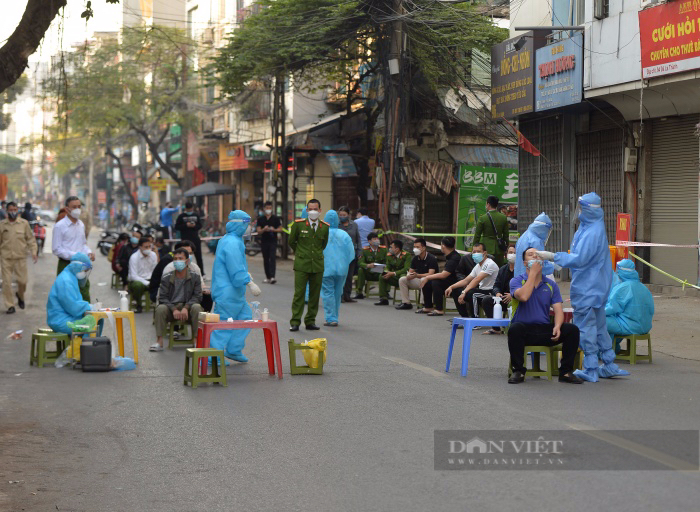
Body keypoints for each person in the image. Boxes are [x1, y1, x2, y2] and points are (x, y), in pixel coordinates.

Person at [538, 192, 630, 382]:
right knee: (599, 325)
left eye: (581, 209)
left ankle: (590, 367)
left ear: (587, 210)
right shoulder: (591, 226)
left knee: (585, 326)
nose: (578, 212)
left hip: (588, 286)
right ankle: (609, 363)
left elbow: (580, 259)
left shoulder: (592, 231)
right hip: (595, 286)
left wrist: (554, 256)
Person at [506, 248, 583, 384]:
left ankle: (565, 371)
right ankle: (518, 370)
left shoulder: (551, 284)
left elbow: (559, 309)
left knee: (572, 330)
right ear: (525, 263)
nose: (535, 257)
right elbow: (523, 296)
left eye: (538, 255)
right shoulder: (516, 281)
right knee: (515, 329)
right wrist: (532, 275)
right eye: (531, 255)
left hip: (543, 329)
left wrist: (558, 326)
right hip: (524, 330)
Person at [210, 210, 261, 362]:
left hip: (233, 292)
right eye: (248, 224)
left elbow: (234, 266)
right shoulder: (232, 243)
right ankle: (214, 356)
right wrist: (249, 282)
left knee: (245, 318)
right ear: (240, 225)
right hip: (228, 292)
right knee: (224, 324)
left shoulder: (232, 240)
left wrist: (246, 275)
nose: (250, 228)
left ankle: (233, 349)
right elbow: (235, 269)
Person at [150, 248, 204, 352]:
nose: (177, 261)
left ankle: (196, 340)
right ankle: (159, 341)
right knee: (160, 308)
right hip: (171, 309)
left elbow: (198, 296)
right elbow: (163, 297)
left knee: (197, 307)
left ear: (187, 261)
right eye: (175, 259)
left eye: (180, 258)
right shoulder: (167, 277)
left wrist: (186, 307)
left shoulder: (195, 277)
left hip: (188, 309)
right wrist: (174, 309)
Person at [288, 199, 329, 331]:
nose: (313, 211)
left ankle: (310, 321)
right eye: (310, 209)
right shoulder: (298, 225)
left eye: (315, 209)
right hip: (301, 264)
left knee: (314, 295)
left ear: (320, 211)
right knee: (299, 294)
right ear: (306, 211)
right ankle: (295, 321)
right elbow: (292, 242)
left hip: (317, 265)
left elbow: (323, 245)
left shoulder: (325, 227)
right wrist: (301, 253)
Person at [52, 196, 94, 302]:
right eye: (74, 207)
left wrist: (89, 252)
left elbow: (83, 244)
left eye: (79, 206)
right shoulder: (60, 226)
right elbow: (56, 249)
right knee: (66, 295)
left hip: (80, 265)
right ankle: (68, 319)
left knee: (84, 292)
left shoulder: (81, 225)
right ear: (67, 209)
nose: (77, 209)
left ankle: (86, 317)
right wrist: (73, 255)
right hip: (66, 264)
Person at [0, 201, 38, 313]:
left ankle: (20, 295)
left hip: (20, 257)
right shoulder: (2, 225)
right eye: (11, 210)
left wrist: (34, 252)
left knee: (23, 281)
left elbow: (30, 239)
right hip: (6, 258)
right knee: (6, 282)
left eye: (15, 210)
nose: (13, 212)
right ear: (7, 211)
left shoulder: (24, 223)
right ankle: (10, 305)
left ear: (18, 210)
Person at [445, 243, 499, 318]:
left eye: (478, 251)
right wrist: (451, 287)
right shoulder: (478, 265)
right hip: (482, 291)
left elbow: (477, 280)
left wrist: (464, 292)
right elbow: (466, 280)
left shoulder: (489, 264)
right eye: (474, 252)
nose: (476, 254)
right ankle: (465, 317)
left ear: (485, 253)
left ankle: (475, 320)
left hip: (491, 292)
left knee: (472, 293)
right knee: (456, 290)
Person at [320, 210, 355, 326]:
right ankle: (335, 316)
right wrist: (344, 264)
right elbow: (351, 253)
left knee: (327, 293)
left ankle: (330, 317)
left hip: (325, 269)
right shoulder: (344, 234)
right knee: (337, 293)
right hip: (341, 269)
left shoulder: (321, 233)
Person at [606, 259, 654, 340]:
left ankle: (602, 351)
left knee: (597, 321)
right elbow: (651, 310)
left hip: (630, 326)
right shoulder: (644, 288)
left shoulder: (623, 287)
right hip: (645, 327)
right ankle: (613, 348)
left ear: (621, 272)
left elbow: (611, 308)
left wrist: (594, 312)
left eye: (618, 271)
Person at [46, 253, 92, 334]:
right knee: (91, 323)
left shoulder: (71, 277)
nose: (84, 273)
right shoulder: (66, 280)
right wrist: (89, 307)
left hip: (66, 318)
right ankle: (80, 346)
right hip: (61, 321)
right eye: (84, 270)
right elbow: (73, 307)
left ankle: (82, 345)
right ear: (78, 266)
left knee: (94, 320)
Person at [418, 236, 461, 316]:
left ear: (443, 246)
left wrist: (427, 277)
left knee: (436, 282)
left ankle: (439, 309)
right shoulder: (450, 256)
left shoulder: (455, 258)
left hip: (456, 282)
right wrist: (427, 278)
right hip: (450, 280)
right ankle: (428, 307)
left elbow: (444, 275)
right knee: (428, 282)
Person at [395, 238, 439, 311]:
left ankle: (424, 304)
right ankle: (406, 303)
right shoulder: (415, 258)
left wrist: (417, 275)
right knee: (402, 279)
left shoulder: (431, 258)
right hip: (418, 280)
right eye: (414, 247)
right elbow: (411, 271)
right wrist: (409, 275)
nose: (415, 249)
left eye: (418, 247)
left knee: (424, 279)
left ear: (424, 248)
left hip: (430, 282)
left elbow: (430, 274)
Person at [481, 245, 516, 334]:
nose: (512, 255)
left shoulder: (521, 270)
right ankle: (496, 328)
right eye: (510, 253)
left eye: (515, 253)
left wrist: (512, 295)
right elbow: (496, 285)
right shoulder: (503, 269)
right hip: (502, 298)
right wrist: (497, 293)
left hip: (516, 298)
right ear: (506, 255)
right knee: (486, 300)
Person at [473, 195, 509, 266]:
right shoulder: (503, 218)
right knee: (498, 269)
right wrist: (505, 248)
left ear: (488, 204)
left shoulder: (482, 218)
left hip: (486, 248)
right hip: (499, 249)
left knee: (485, 268)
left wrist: (474, 248)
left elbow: (477, 235)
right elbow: (506, 236)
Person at [515, 212, 554, 277]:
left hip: (519, 276)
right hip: (531, 278)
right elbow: (539, 264)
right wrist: (553, 266)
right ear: (544, 228)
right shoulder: (536, 241)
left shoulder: (524, 235)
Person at [337, 206, 362, 303]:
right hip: (339, 254)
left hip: (352, 254)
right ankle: (340, 296)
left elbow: (358, 239)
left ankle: (347, 295)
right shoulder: (337, 225)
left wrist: (359, 252)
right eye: (340, 215)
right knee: (341, 275)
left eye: (344, 215)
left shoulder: (354, 225)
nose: (342, 217)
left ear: (349, 215)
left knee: (349, 276)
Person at [374, 240, 412, 306]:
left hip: (402, 276)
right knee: (382, 276)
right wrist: (387, 272)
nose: (390, 249)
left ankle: (404, 301)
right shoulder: (389, 255)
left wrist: (393, 273)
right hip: (394, 277)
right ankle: (383, 299)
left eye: (391, 247)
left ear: (397, 249)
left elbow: (406, 269)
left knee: (402, 276)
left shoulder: (407, 255)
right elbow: (387, 266)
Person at [128, 237, 158, 313]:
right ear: (140, 247)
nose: (148, 249)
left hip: (151, 279)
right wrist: (147, 283)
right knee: (137, 286)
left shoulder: (153, 255)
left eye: (149, 246)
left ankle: (157, 305)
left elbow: (156, 271)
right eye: (146, 247)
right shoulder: (134, 257)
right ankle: (138, 305)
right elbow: (133, 276)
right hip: (138, 280)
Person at [354, 232, 387, 299]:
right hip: (368, 273)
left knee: (388, 271)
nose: (377, 240)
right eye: (374, 239)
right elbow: (360, 262)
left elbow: (387, 261)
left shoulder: (383, 250)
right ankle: (359, 292)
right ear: (369, 241)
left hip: (379, 273)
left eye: (377, 238)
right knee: (361, 270)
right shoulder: (365, 250)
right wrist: (368, 265)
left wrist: (385, 266)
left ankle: (386, 292)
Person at [257, 200, 283, 284]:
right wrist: (264, 229)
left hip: (273, 241)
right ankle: (267, 276)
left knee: (272, 258)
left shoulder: (275, 218)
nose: (269, 209)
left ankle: (272, 277)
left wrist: (274, 229)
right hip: (264, 241)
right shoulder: (260, 219)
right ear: (264, 209)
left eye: (270, 208)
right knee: (265, 259)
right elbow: (258, 231)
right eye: (267, 208)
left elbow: (280, 229)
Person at [175, 202, 204, 275]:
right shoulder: (181, 216)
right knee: (184, 256)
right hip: (185, 240)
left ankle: (201, 272)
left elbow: (200, 225)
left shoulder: (196, 215)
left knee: (198, 257)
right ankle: (183, 271)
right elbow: (177, 227)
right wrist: (186, 225)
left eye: (190, 209)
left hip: (195, 239)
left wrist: (194, 226)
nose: (189, 211)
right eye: (188, 209)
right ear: (186, 209)